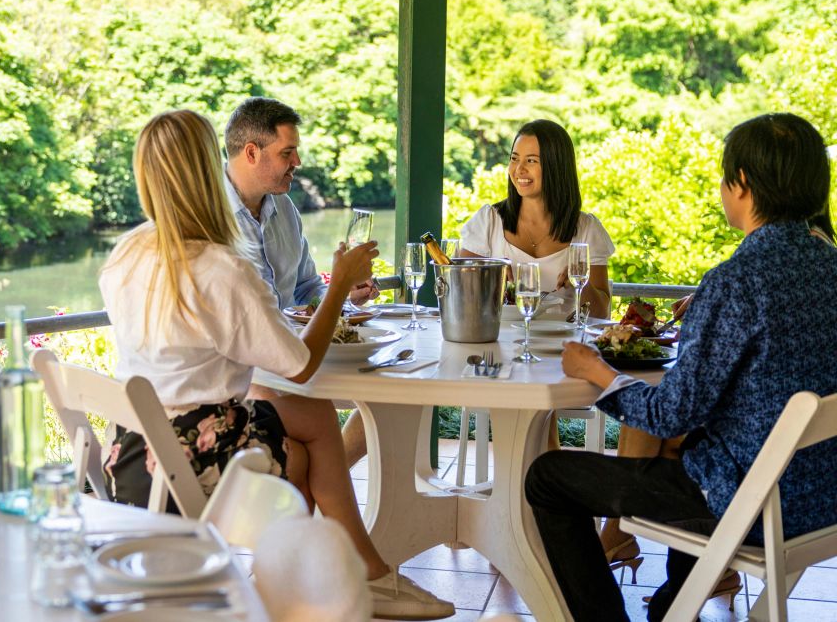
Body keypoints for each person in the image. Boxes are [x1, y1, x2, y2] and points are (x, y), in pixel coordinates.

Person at [99, 109, 454, 620]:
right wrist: (339, 282)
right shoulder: (220, 268)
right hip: (190, 461)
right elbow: (301, 365)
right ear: (207, 169)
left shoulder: (125, 254)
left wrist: (330, 291)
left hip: (129, 453)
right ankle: (333, 582)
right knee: (304, 449)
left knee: (309, 423)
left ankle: (340, 577)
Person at [525, 112, 837, 622]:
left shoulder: (738, 281)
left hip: (752, 505)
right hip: (822, 498)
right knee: (683, 449)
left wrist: (598, 371)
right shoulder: (829, 265)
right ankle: (674, 605)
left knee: (548, 478)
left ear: (741, 185)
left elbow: (669, 413)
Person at [223, 97, 375, 468]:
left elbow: (309, 286)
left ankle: (327, 499)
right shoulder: (212, 217)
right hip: (246, 371)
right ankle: (325, 503)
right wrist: (336, 289)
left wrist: (342, 293)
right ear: (252, 152)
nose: (298, 163)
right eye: (288, 152)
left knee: (383, 400)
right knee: (314, 428)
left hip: (296, 356)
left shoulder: (285, 208)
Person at [459, 119, 614, 320]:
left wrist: (580, 283)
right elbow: (459, 297)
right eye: (514, 159)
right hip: (500, 346)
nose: (519, 169)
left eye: (531, 160)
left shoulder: (587, 229)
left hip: (565, 348)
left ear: (556, 166)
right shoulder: (489, 221)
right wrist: (490, 278)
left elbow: (601, 314)